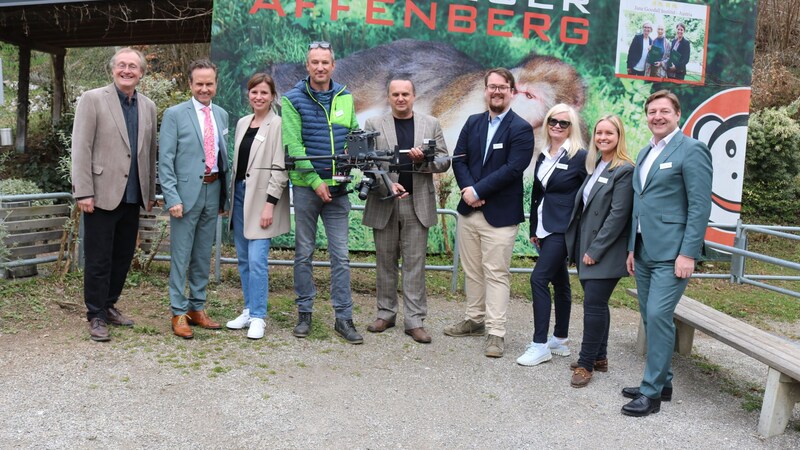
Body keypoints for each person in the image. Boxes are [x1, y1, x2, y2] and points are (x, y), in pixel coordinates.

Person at [622, 90, 712, 417]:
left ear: (677, 114)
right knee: (649, 316)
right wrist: (633, 247)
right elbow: (640, 203)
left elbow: (700, 206)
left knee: (659, 315)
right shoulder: (647, 151)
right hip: (644, 249)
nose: (657, 116)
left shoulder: (692, 150)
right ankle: (664, 381)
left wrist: (689, 253)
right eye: (652, 111)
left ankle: (651, 394)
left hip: (674, 253)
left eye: (664, 111)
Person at [445, 68, 534, 358]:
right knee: (472, 270)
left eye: (502, 87)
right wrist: (469, 190)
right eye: (492, 87)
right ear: (485, 91)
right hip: (469, 211)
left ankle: (496, 332)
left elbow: (513, 169)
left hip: (500, 215)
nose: (496, 92)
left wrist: (478, 191)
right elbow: (459, 159)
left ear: (512, 92)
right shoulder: (472, 123)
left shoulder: (520, 128)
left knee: (496, 273)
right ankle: (475, 320)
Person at [71, 47, 157, 342]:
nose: (127, 70)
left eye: (133, 66)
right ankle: (95, 314)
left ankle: (109, 306)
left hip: (133, 195)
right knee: (98, 259)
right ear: (112, 69)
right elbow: (80, 147)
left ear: (141, 73)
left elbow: (149, 153)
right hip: (100, 194)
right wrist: (83, 191)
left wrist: (149, 192)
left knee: (122, 256)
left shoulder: (149, 106)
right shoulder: (93, 99)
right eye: (122, 65)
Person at [281, 41, 363, 344]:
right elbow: (294, 146)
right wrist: (316, 181)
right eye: (314, 62)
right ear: (307, 65)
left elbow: (353, 131)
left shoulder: (345, 96)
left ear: (333, 64)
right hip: (306, 189)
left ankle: (344, 317)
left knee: (341, 256)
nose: (319, 67)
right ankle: (305, 313)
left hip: (339, 190)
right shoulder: (292, 100)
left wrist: (351, 157)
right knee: (304, 253)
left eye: (324, 62)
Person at [362, 77, 450, 344]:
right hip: (385, 201)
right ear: (388, 97)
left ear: (414, 96)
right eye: (395, 94)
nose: (400, 98)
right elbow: (366, 163)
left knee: (415, 264)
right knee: (385, 262)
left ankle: (414, 320)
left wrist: (425, 159)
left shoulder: (430, 123)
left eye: (405, 94)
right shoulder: (374, 125)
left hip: (417, 203)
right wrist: (389, 183)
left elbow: (445, 160)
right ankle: (386, 313)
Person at [159, 59, 230, 339]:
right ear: (190, 84)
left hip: (213, 191)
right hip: (185, 197)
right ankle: (178, 312)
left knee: (203, 254)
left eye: (209, 83)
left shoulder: (222, 115)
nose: (204, 88)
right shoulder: (175, 114)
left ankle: (196, 308)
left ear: (216, 84)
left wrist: (224, 198)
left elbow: (224, 158)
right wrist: (172, 196)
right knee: (181, 255)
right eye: (199, 83)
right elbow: (165, 160)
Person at [564, 115, 634, 387]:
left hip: (605, 251)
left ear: (619, 137)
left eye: (609, 133)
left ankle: (585, 364)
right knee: (597, 303)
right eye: (599, 133)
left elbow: (618, 215)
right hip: (587, 247)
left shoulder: (624, 169)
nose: (603, 137)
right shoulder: (596, 166)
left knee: (593, 305)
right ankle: (599, 357)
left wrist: (595, 249)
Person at [516, 104, 587, 367]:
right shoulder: (544, 155)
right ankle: (559, 339)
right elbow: (538, 193)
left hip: (563, 229)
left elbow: (588, 197)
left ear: (572, 128)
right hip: (544, 228)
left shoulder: (580, 157)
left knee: (538, 279)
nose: (557, 126)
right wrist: (535, 228)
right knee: (560, 282)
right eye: (553, 121)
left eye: (564, 123)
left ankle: (540, 345)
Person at [225, 73, 290, 340]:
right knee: (243, 259)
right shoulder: (242, 123)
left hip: (263, 200)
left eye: (264, 92)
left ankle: (259, 317)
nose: (258, 97)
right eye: (254, 92)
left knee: (257, 260)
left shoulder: (278, 125)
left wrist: (269, 205)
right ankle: (249, 309)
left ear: (272, 96)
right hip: (241, 196)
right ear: (248, 95)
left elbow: (280, 167)